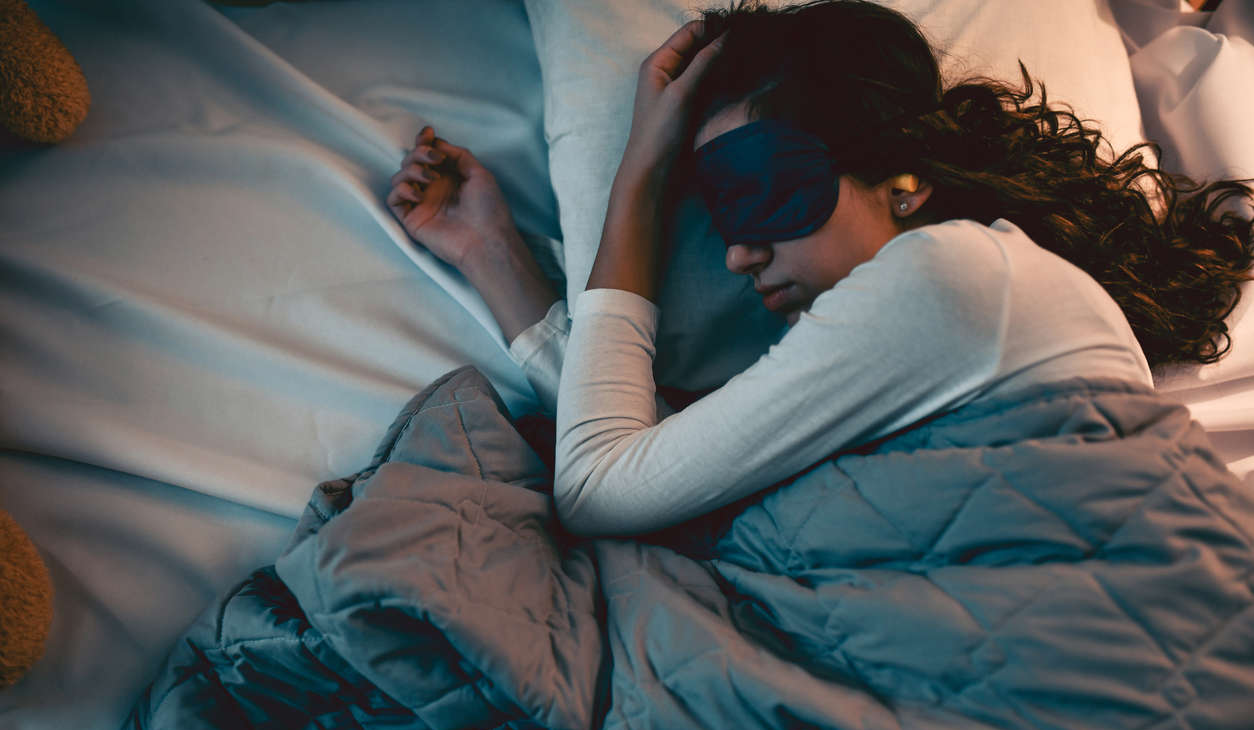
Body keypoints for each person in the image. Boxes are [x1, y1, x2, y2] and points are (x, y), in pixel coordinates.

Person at [386, 0, 1254, 539]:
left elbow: (603, 486)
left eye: (759, 189)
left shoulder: (952, 281)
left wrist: (639, 179)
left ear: (904, 180)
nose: (735, 253)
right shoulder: (934, 311)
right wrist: (494, 257)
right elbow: (666, 468)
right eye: (717, 207)